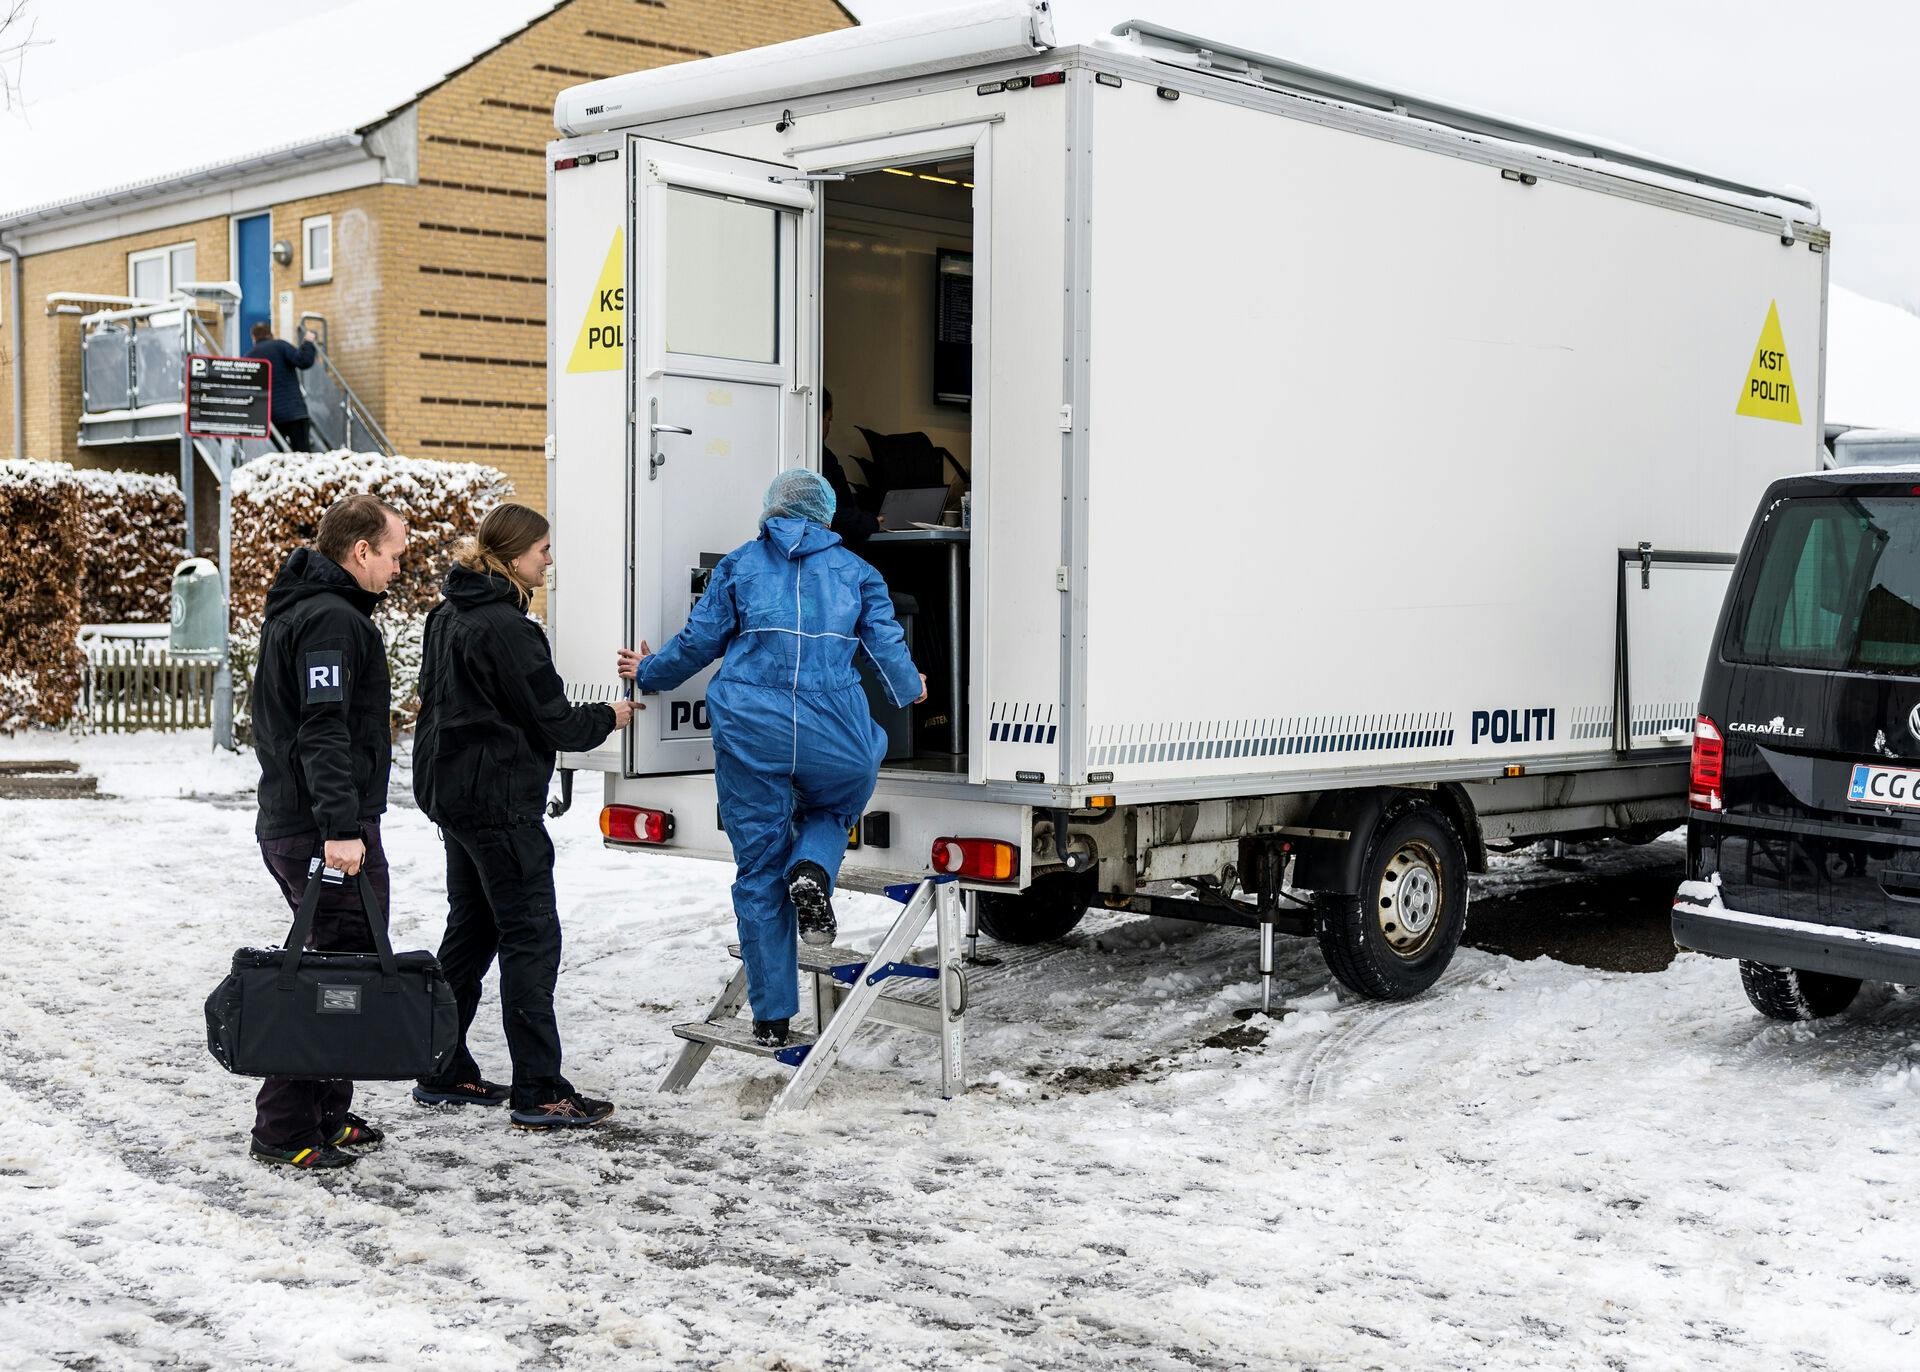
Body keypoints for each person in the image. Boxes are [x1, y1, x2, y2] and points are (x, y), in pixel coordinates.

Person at [617, 470, 926, 1047]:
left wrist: (649, 673)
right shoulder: (858, 572)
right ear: (827, 513)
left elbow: (698, 642)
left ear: (771, 511)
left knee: (758, 869)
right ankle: (812, 869)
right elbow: (887, 645)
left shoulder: (738, 565)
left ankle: (772, 1018)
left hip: (749, 729)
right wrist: (911, 689)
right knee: (834, 810)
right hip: (832, 730)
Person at [412, 503, 636, 1129]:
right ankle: (540, 1090)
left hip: (454, 797)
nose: (550, 560)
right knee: (531, 938)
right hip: (498, 806)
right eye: (542, 551)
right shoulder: (507, 629)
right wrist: (610, 717)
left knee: (474, 930)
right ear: (513, 558)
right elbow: (554, 719)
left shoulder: (447, 614)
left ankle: (442, 1067)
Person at [247, 493, 407, 1170]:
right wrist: (340, 830)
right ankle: (284, 1129)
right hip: (320, 830)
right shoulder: (330, 622)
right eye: (395, 555)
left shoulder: (318, 611)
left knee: (344, 965)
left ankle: (326, 1114)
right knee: (332, 974)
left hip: (309, 823)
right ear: (360, 550)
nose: (399, 569)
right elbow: (323, 730)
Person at [246, 321, 319, 452]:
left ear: (254, 338)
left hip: (270, 418)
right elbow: (304, 361)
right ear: (270, 335)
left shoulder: (249, 357)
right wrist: (307, 342)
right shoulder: (280, 346)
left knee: (275, 457)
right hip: (295, 413)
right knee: (303, 456)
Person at [821, 388, 881, 547]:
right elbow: (835, 515)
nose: (829, 425)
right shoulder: (822, 460)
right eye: (829, 419)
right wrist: (869, 522)